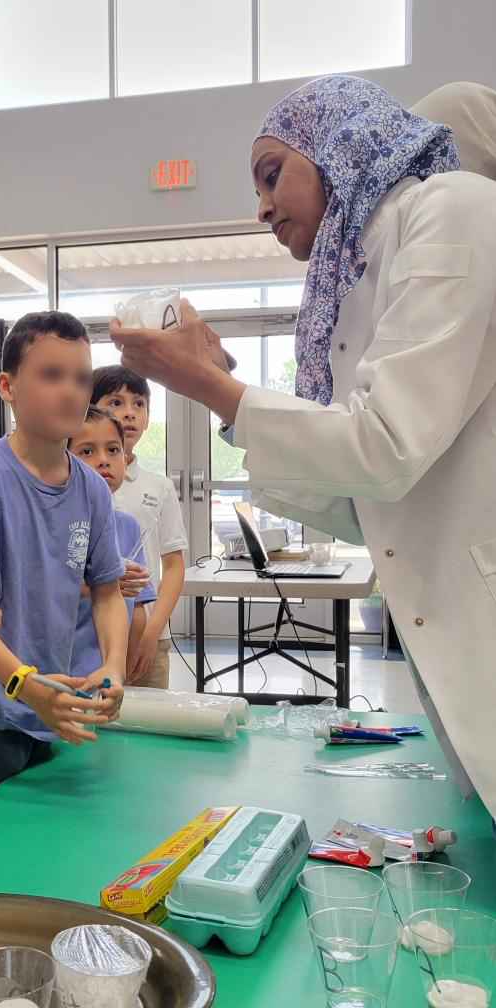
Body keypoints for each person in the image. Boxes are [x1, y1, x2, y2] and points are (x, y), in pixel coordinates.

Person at [110, 74, 496, 820]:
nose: (260, 208)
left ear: (341, 145)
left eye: (270, 172)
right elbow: (367, 503)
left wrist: (205, 386)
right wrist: (221, 390)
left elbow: (383, 448)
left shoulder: (451, 207)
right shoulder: (363, 279)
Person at [0, 311, 128, 822]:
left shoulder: (92, 490)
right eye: (51, 375)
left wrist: (113, 667)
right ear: (7, 386)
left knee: (45, 849)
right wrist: (25, 686)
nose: (71, 392)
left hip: (54, 702)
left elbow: (107, 592)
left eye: (81, 378)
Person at [91, 366, 187, 688]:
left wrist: (152, 632)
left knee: (150, 723)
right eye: (115, 403)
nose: (128, 413)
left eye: (138, 404)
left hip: (149, 633)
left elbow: (173, 565)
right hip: (91, 633)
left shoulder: (159, 487)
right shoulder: (78, 482)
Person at [68, 406, 157, 680]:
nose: (103, 461)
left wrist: (121, 673)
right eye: (86, 452)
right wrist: (102, 584)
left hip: (106, 672)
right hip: (63, 673)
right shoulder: (61, 526)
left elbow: (138, 605)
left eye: (113, 450)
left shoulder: (128, 526)